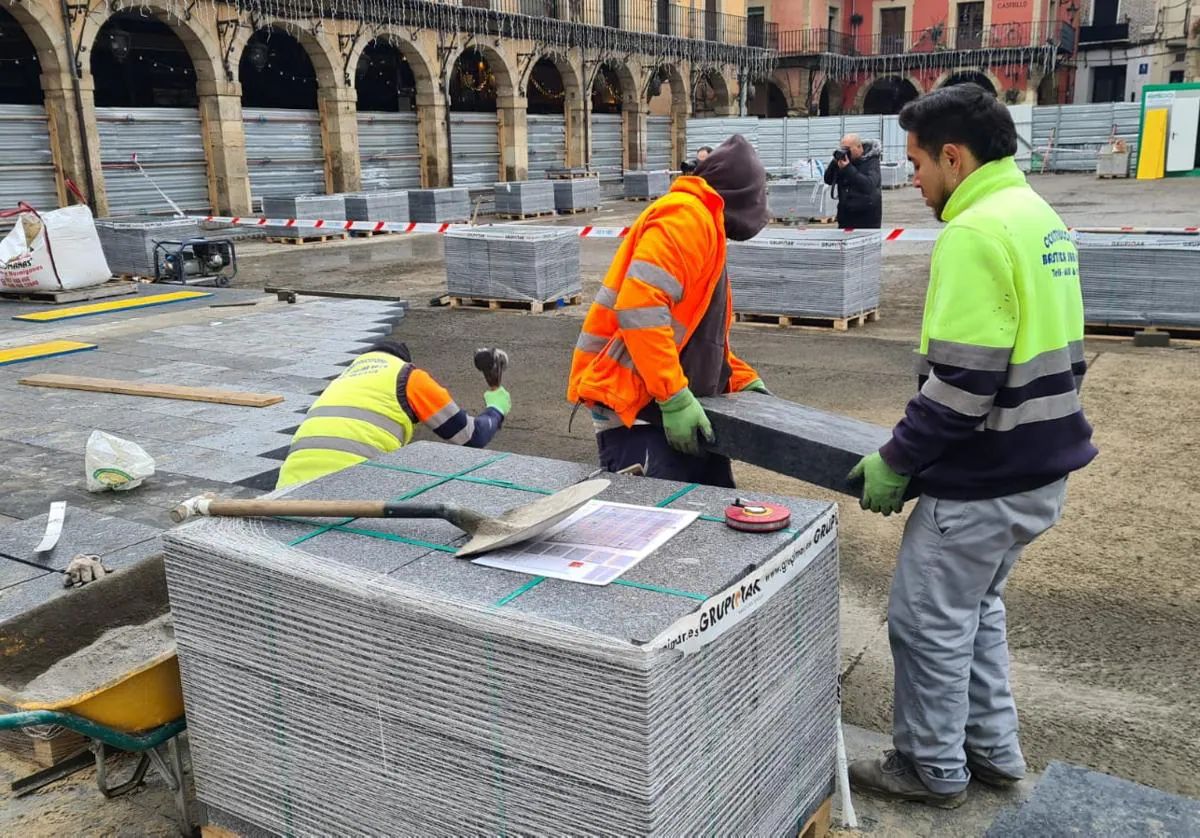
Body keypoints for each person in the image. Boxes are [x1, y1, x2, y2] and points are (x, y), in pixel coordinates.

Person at [846, 84, 1097, 807]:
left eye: (919, 162)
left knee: (926, 624)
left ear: (954, 157)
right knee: (976, 614)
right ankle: (992, 752)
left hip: (985, 478)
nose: (913, 178)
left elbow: (961, 386)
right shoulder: (1038, 217)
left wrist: (896, 461)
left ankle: (931, 768)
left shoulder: (975, 232)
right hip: (1038, 469)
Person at [567, 134, 769, 488]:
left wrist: (736, 377)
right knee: (659, 531)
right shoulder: (688, 217)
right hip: (640, 412)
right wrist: (673, 397)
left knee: (707, 525)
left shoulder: (705, 225)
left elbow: (695, 333)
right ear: (742, 198)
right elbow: (640, 306)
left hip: (663, 405)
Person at [277, 340, 510, 489]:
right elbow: (471, 436)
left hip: (286, 487)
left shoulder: (343, 379)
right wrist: (496, 408)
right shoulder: (408, 375)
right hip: (349, 485)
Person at [823, 132, 882, 228]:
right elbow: (828, 180)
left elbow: (869, 185)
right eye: (842, 148)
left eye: (847, 149)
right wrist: (834, 162)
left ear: (859, 147)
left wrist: (848, 168)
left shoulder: (872, 162)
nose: (844, 152)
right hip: (845, 217)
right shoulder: (842, 161)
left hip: (867, 220)